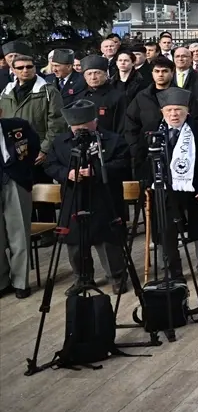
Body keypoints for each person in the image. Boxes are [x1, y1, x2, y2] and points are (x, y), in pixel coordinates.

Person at [44, 100, 130, 294]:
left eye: (85, 125)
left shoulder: (114, 140)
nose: (80, 129)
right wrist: (67, 173)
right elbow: (50, 165)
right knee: (75, 243)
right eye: (76, 126)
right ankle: (82, 279)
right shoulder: (60, 142)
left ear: (95, 121)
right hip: (74, 197)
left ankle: (116, 277)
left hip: (103, 197)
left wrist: (97, 171)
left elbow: (123, 164)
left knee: (108, 241)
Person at [154, 89, 198, 285]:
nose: (174, 114)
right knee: (166, 232)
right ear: (162, 112)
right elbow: (143, 160)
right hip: (166, 190)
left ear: (187, 111)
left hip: (197, 189)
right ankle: (172, 271)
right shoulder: (155, 132)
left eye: (178, 110)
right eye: (169, 110)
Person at [0, 52, 65, 179]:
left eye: (29, 67)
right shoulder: (6, 92)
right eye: (20, 67)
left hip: (37, 153)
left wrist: (45, 150)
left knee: (39, 193)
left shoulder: (49, 91)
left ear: (34, 68)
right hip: (10, 153)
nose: (25, 70)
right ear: (13, 70)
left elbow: (57, 123)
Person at [0, 110, 38, 298]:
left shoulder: (18, 126)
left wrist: (23, 169)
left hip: (16, 181)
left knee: (20, 233)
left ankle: (20, 282)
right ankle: (2, 282)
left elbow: (34, 146)